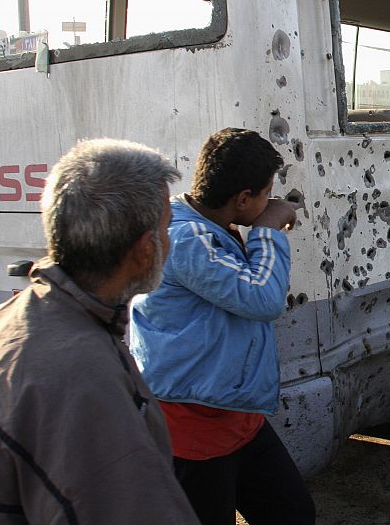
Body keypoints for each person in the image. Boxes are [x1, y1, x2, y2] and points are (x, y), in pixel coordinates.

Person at [0, 139, 200, 524]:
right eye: (167, 228)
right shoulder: (83, 382)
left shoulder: (2, 320)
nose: (171, 240)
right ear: (145, 250)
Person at [130, 128, 315, 525]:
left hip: (233, 413)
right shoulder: (185, 239)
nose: (272, 200)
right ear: (243, 199)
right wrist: (267, 230)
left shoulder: (210, 227)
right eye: (267, 193)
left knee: (293, 513)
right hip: (193, 426)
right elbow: (262, 297)